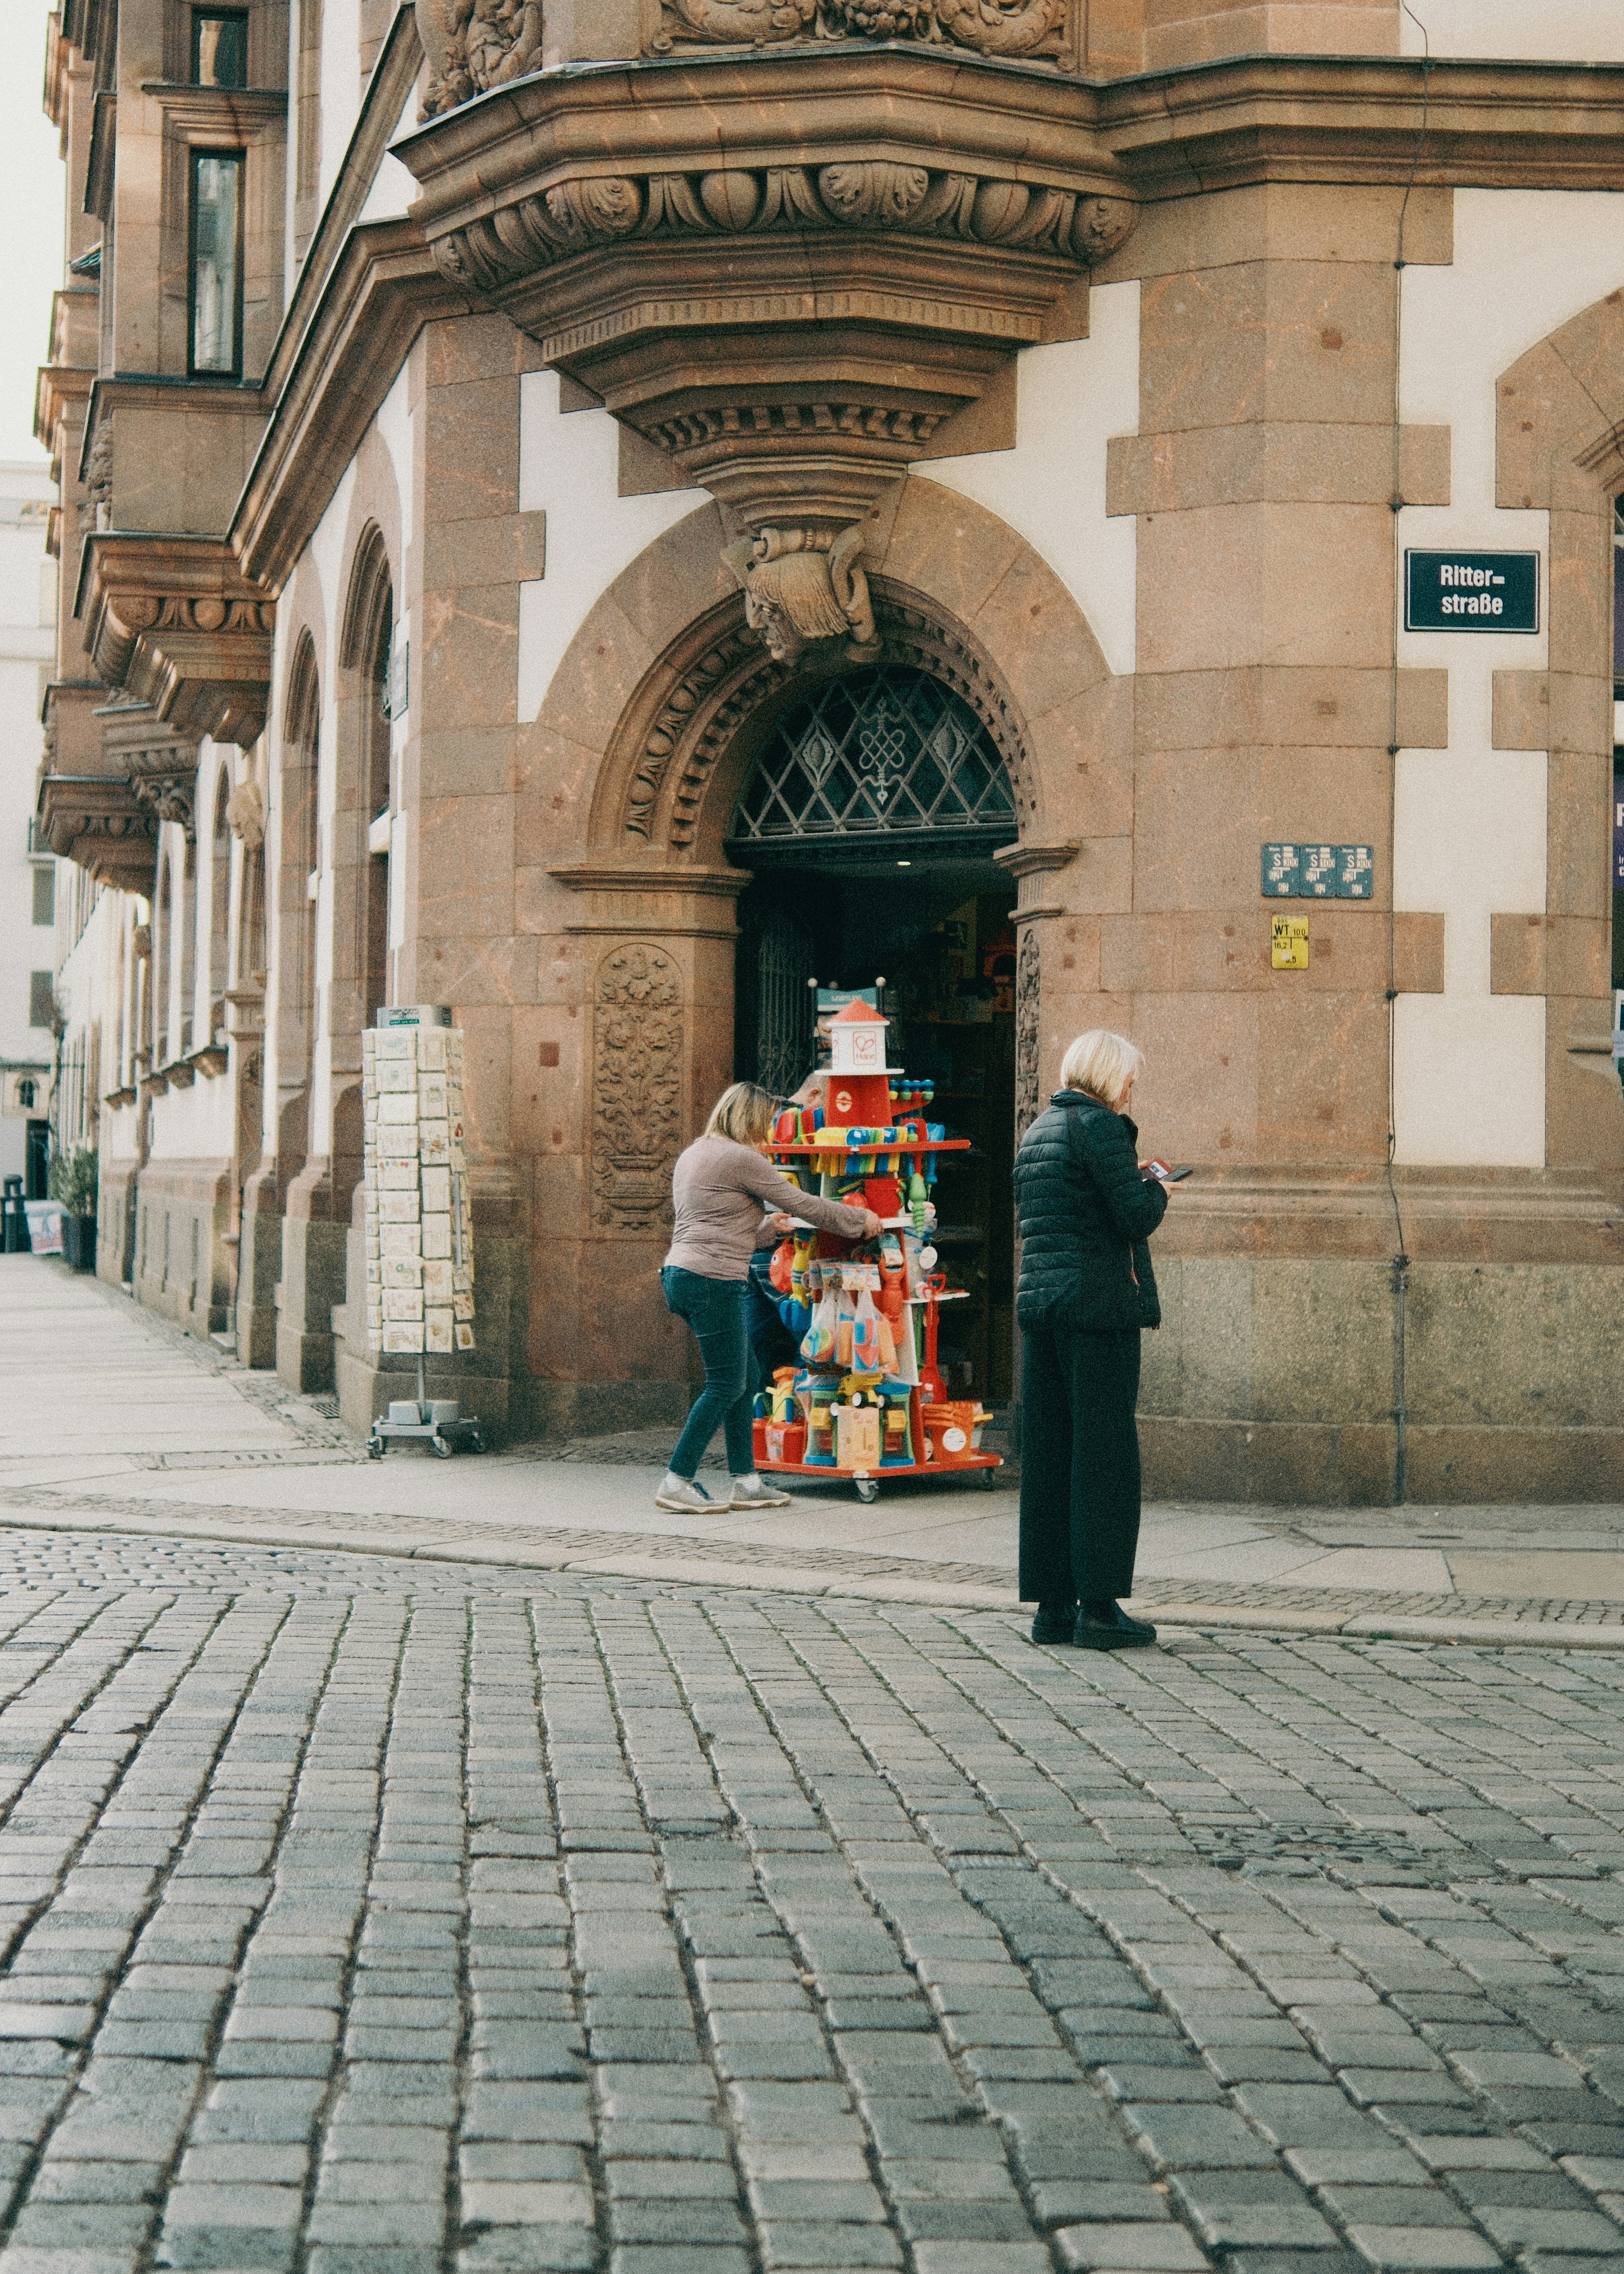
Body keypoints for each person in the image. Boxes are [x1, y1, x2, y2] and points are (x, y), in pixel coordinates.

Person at [1012, 1029, 1170, 1650]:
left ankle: (1052, 1608)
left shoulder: (1038, 1130)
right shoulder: (1100, 1126)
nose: (1131, 1088)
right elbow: (1133, 1216)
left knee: (1051, 1458)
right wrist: (1157, 1187)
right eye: (1128, 1078)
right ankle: (1100, 1610)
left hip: (1043, 1309)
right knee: (1103, 1460)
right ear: (1109, 1076)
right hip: (1097, 1309)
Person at [659, 1080, 880, 1513]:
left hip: (683, 1273)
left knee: (744, 1375)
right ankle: (676, 1479)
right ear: (749, 1119)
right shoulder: (740, 1157)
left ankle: (746, 1481)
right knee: (725, 1384)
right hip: (712, 1279)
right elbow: (803, 1203)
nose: (768, 1132)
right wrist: (859, 1220)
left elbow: (714, 1222)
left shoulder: (696, 1153)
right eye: (765, 1122)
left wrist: (765, 1228)